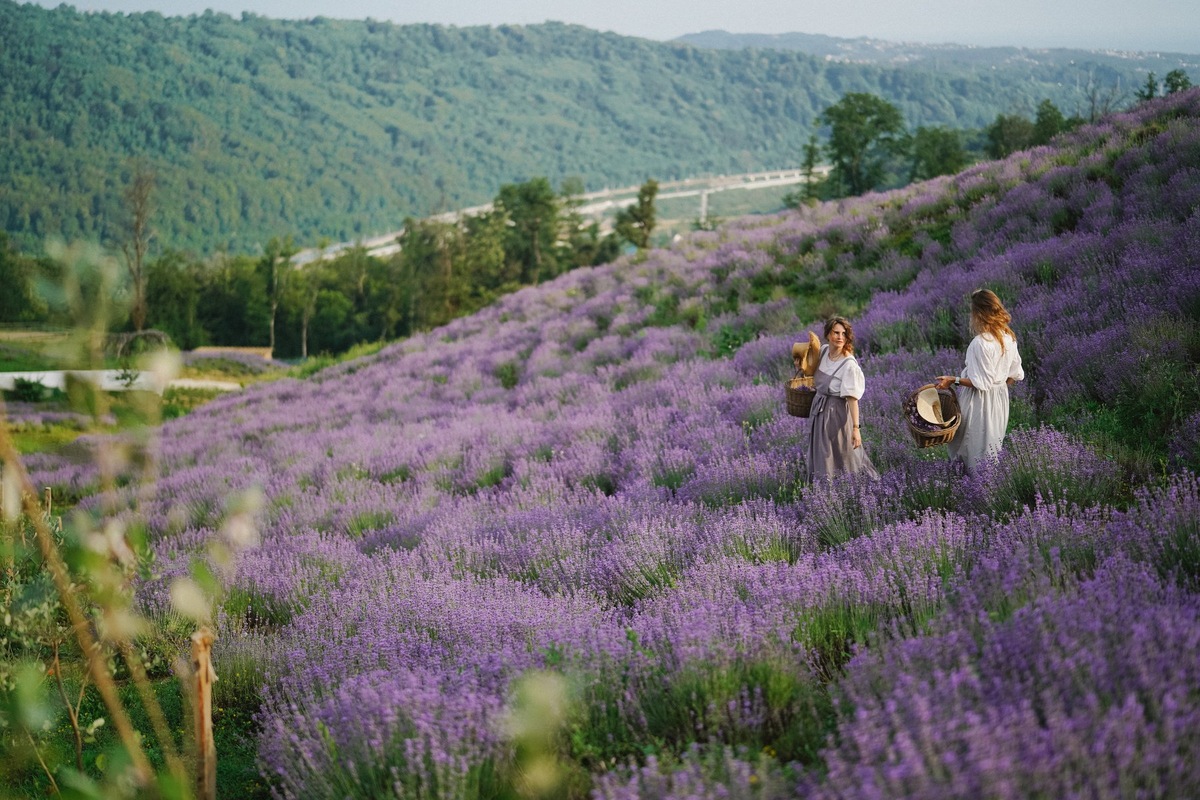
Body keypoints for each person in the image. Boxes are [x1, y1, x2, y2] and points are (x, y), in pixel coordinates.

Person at [935, 289, 1024, 474]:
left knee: (969, 446)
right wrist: (998, 388)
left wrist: (953, 379)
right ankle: (985, 484)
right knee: (990, 447)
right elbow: (1015, 374)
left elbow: (980, 383)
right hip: (999, 401)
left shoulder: (980, 343)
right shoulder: (1009, 338)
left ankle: (968, 484)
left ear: (978, 313)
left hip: (978, 402)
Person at [806, 316, 879, 482]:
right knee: (821, 452)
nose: (840, 337)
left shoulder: (848, 364)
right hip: (819, 411)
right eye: (836, 333)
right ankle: (822, 488)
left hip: (836, 414)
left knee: (840, 454)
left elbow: (852, 400)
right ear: (828, 334)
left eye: (843, 334)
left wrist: (856, 428)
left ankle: (852, 486)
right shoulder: (823, 351)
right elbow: (809, 371)